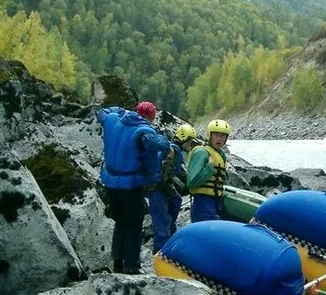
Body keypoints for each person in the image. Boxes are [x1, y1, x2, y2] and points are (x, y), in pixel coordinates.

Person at [96, 101, 171, 274]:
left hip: (109, 183)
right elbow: (158, 145)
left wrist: (120, 109)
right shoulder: (143, 131)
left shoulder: (114, 118)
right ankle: (131, 267)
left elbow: (101, 112)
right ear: (151, 118)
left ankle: (117, 264)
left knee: (120, 222)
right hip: (130, 186)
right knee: (134, 224)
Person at [146, 123, 199, 252]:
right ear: (184, 140)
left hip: (160, 185)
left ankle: (170, 234)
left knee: (176, 201)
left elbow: (178, 172)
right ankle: (160, 249)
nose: (190, 146)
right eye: (190, 142)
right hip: (157, 187)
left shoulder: (173, 149)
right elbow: (168, 174)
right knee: (161, 218)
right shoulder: (173, 151)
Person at [187, 119, 231, 222]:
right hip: (202, 202)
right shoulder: (201, 152)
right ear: (209, 135)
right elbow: (191, 182)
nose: (219, 139)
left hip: (215, 202)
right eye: (216, 135)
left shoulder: (221, 154)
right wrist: (209, 168)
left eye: (223, 136)